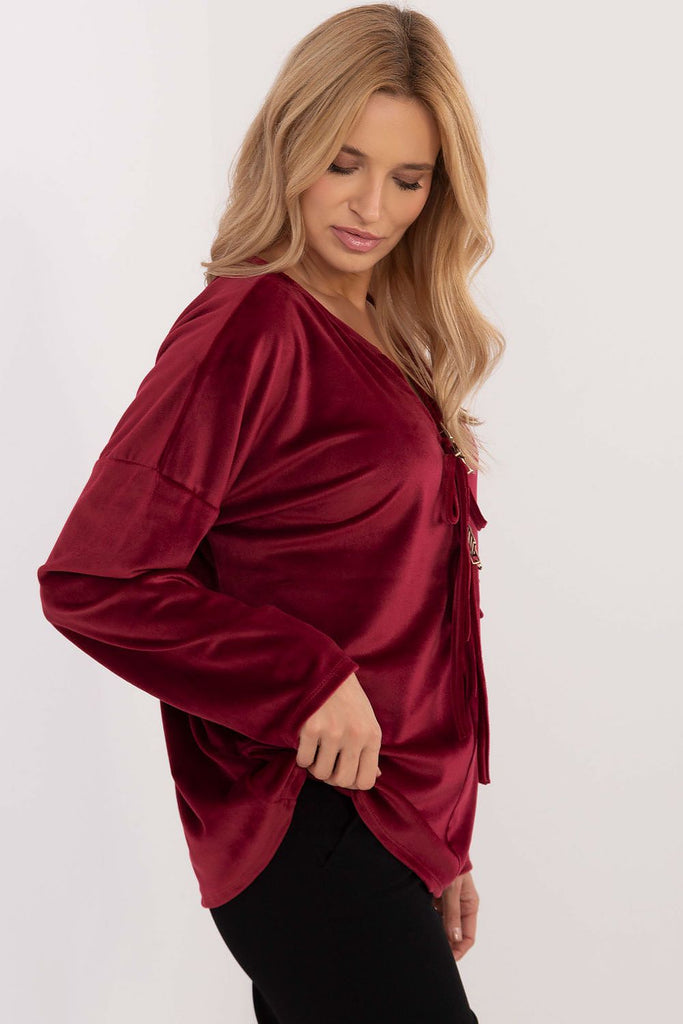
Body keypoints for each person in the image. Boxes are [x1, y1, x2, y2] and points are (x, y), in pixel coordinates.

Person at [36, 3, 505, 1021]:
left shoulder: (382, 329)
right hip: (305, 814)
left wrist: (440, 837)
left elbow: (413, 617)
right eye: (343, 163)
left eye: (408, 178)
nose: (371, 206)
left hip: (386, 818)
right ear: (290, 145)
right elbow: (94, 578)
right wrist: (303, 680)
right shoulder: (250, 324)